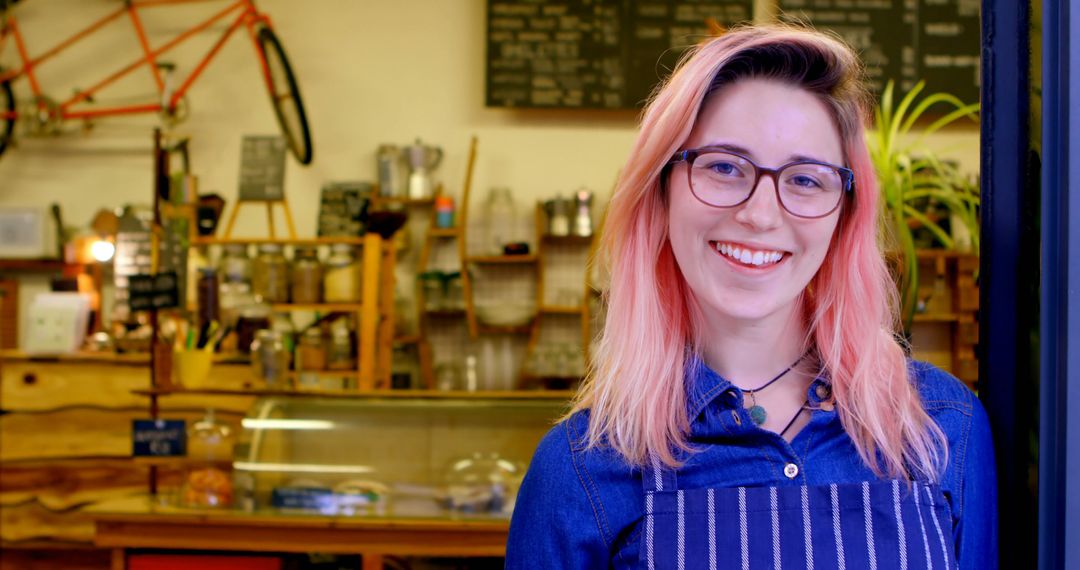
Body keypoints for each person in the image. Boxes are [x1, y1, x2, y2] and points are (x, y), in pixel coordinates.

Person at [505, 24, 996, 570]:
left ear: (844, 216)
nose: (760, 215)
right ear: (661, 191)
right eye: (722, 167)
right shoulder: (581, 472)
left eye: (806, 180)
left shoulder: (939, 426)